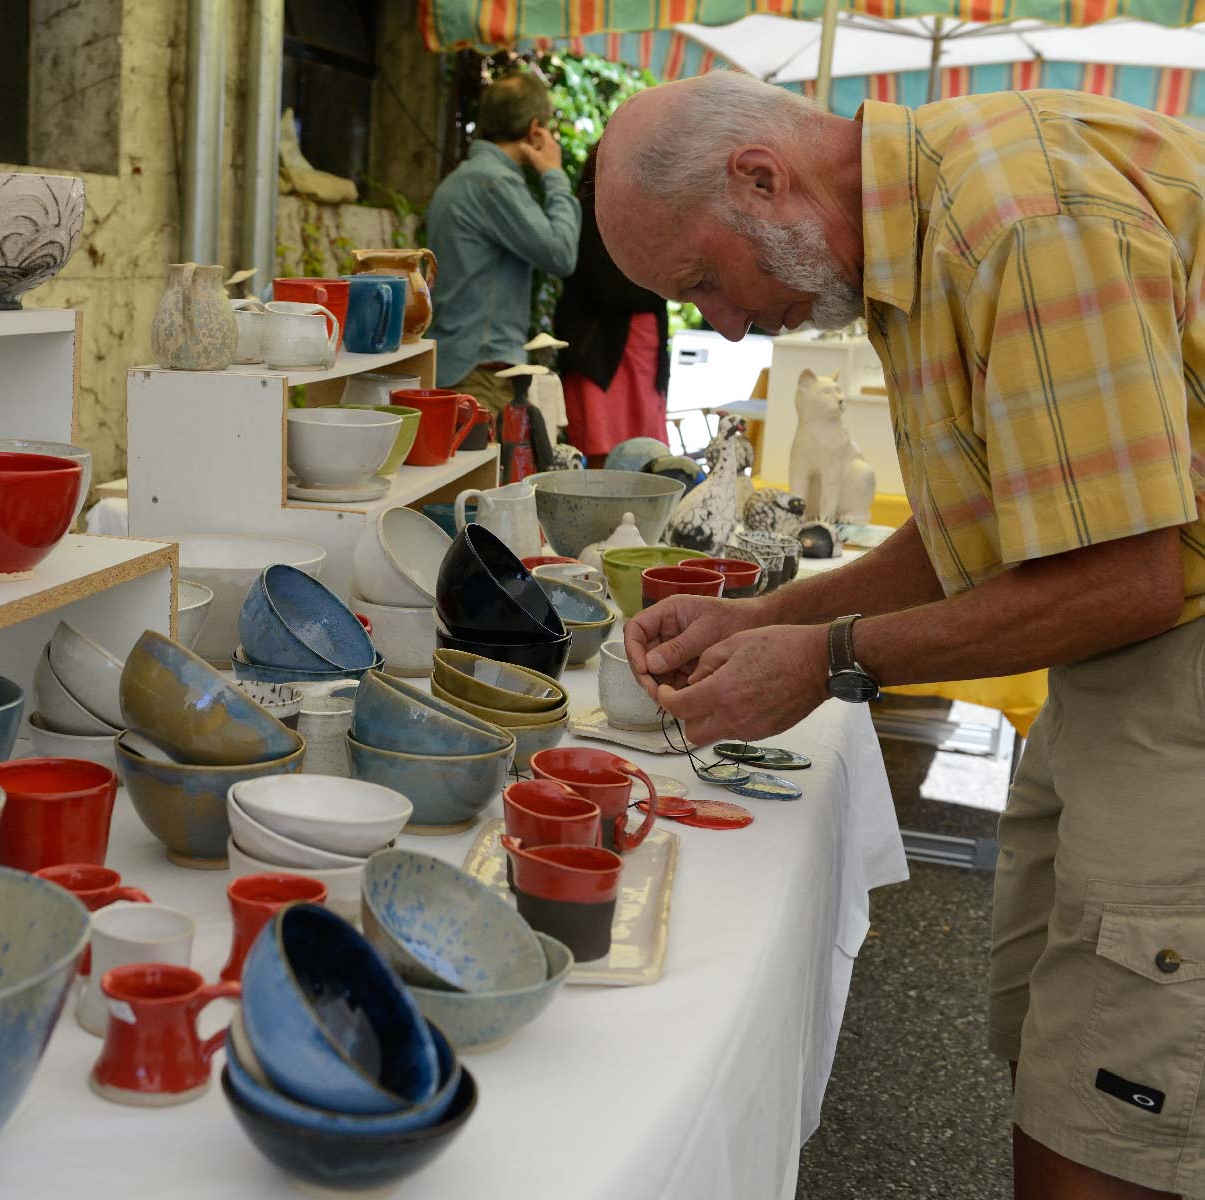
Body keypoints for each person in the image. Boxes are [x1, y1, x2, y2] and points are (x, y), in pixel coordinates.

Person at [595, 70, 1205, 1200]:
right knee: (1060, 1050)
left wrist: (831, 661)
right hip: (1129, 664)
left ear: (760, 178)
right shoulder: (910, 229)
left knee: (1122, 1111)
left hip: (1177, 662)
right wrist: (770, 612)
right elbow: (983, 524)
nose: (721, 326)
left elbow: (1125, 579)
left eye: (702, 285)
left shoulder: (1016, 219)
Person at [424, 70, 581, 418]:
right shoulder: (493, 183)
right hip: (482, 373)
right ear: (534, 128)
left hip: (458, 365)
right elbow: (561, 253)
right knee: (492, 473)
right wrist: (554, 175)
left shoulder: (460, 179)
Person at [554, 142, 671, 461]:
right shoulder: (586, 217)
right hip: (598, 356)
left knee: (648, 455)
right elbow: (608, 288)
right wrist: (662, 285)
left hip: (643, 355)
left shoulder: (645, 220)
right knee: (598, 453)